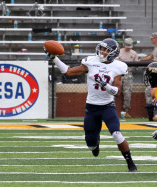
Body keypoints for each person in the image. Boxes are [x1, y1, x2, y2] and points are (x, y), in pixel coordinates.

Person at [45, 38, 137, 172]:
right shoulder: (91, 62)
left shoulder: (118, 66)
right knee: (91, 145)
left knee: (117, 134)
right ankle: (96, 143)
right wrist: (54, 59)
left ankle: (130, 163)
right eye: (101, 48)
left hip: (107, 106)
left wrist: (106, 86)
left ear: (112, 53)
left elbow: (117, 92)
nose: (101, 51)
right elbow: (69, 72)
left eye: (105, 50)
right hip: (92, 107)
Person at [117, 38, 139, 118]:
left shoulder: (134, 53)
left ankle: (126, 111)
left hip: (128, 73)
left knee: (127, 93)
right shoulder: (119, 51)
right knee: (114, 91)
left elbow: (137, 64)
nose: (128, 47)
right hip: (118, 73)